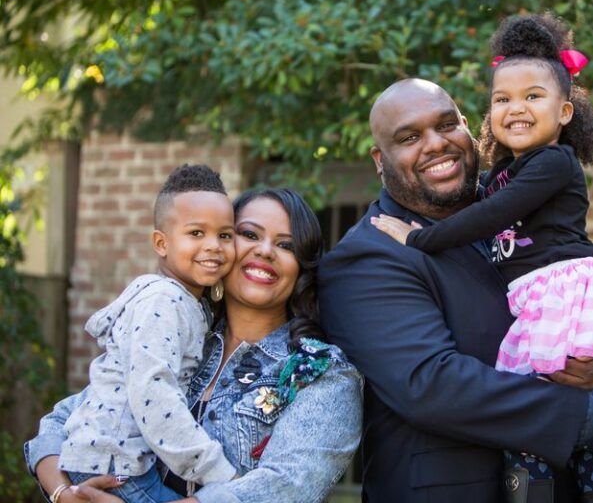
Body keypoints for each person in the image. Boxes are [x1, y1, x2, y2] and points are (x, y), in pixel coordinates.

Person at [318, 76, 593, 502]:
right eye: (409, 137)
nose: (435, 144)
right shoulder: (367, 258)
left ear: (468, 126)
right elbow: (431, 385)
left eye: (447, 125)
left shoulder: (521, 204)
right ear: (379, 159)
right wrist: (589, 412)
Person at [25, 188, 363, 503]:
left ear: (301, 267)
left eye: (286, 245)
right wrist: (62, 493)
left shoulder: (320, 372)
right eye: (249, 234)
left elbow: (285, 486)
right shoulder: (177, 334)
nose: (264, 250)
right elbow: (63, 421)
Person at [55, 164, 238, 502]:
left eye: (225, 235)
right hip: (115, 468)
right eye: (196, 233)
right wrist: (219, 473)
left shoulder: (187, 302)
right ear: (160, 243)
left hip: (118, 461)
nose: (214, 245)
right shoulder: (163, 301)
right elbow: (154, 394)